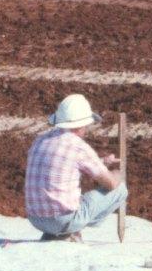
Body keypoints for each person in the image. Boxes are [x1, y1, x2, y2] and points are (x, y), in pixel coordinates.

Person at [24, 94, 125, 242]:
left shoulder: (40, 140)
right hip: (61, 219)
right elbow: (111, 183)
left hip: (35, 218)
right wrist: (117, 174)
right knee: (120, 189)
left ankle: (57, 233)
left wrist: (102, 161)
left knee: (68, 198)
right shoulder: (77, 146)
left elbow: (64, 167)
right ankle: (68, 230)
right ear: (81, 124)